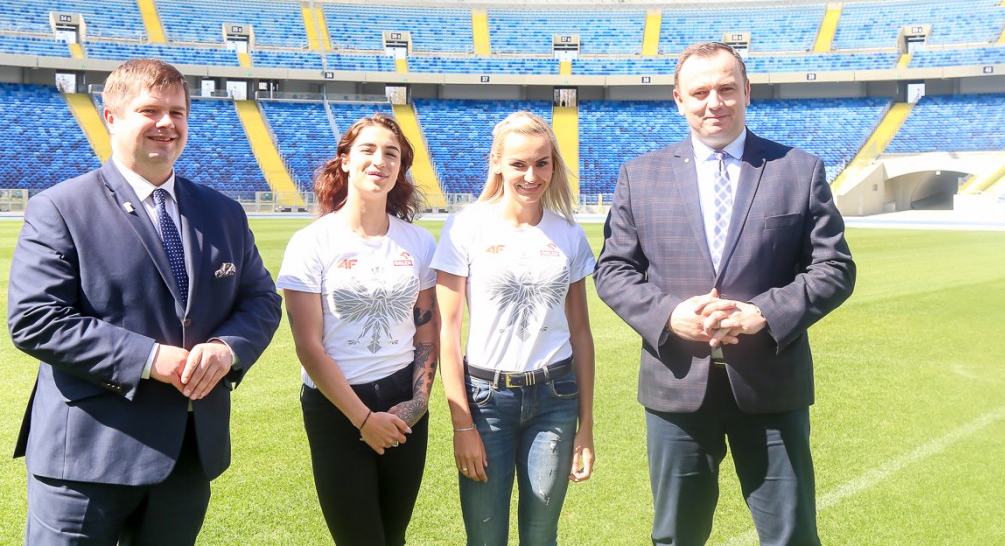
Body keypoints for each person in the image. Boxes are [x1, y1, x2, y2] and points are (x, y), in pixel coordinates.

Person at [8, 58, 282, 545]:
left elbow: (261, 298)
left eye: (177, 113)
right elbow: (36, 320)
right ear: (111, 117)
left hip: (187, 454)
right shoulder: (61, 207)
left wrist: (227, 348)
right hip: (87, 457)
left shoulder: (223, 212)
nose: (166, 124)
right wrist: (150, 358)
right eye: (150, 110)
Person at [594, 42, 856, 546]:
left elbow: (835, 268)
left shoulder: (797, 170)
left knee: (791, 535)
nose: (713, 102)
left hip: (771, 386)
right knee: (676, 536)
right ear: (678, 99)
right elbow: (613, 271)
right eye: (699, 92)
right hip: (676, 385)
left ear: (746, 92)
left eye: (726, 89)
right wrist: (671, 315)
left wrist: (763, 312)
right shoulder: (640, 175)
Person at [433, 110, 596, 546]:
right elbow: (447, 331)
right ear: (498, 163)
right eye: (519, 163)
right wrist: (462, 425)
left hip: (556, 399)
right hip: (486, 402)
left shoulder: (569, 234)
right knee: (485, 539)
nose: (531, 175)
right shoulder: (464, 227)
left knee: (542, 536)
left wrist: (586, 425)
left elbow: (580, 332)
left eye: (542, 163)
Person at [277, 114, 437, 546]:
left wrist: (417, 402)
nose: (380, 161)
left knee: (394, 535)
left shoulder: (419, 243)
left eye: (392, 154)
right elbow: (309, 348)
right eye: (368, 150)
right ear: (345, 160)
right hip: (337, 408)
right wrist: (364, 420)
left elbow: (426, 332)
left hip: (405, 401)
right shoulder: (312, 243)